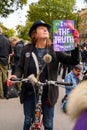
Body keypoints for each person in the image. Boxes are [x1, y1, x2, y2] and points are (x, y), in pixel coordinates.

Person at [8, 20, 79, 130]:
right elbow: (20, 67)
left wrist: (74, 45)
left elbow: (73, 61)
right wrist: (15, 75)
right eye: (41, 28)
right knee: (27, 120)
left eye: (46, 28)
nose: (45, 29)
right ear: (34, 34)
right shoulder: (27, 48)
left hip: (48, 92)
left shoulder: (55, 48)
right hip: (30, 90)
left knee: (49, 123)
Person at [0, 27, 12, 98]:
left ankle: (1, 94)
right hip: (5, 61)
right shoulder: (7, 40)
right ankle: (6, 92)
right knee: (5, 77)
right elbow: (10, 52)